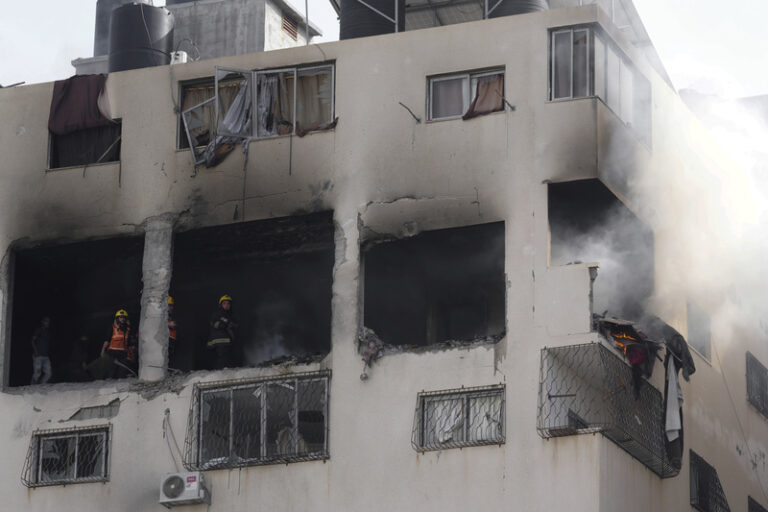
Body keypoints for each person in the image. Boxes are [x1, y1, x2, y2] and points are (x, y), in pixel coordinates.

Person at [101, 309, 136, 379]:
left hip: (123, 353)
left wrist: (131, 354)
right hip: (112, 352)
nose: (122, 319)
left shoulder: (128, 330)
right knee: (112, 370)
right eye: (120, 317)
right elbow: (107, 340)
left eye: (124, 317)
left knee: (122, 371)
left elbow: (128, 344)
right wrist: (102, 350)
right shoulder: (113, 328)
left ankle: (120, 385)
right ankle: (109, 383)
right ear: (117, 318)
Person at [208, 294, 238, 369]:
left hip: (228, 341)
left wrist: (232, 325)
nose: (226, 305)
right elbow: (214, 324)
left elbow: (235, 326)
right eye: (224, 303)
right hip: (219, 340)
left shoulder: (231, 316)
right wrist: (225, 325)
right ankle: (219, 374)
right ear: (220, 305)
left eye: (228, 303)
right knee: (222, 359)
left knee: (228, 359)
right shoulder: (217, 314)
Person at [31, 316, 52, 384]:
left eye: (48, 321)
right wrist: (35, 351)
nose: (47, 322)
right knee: (37, 373)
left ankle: (42, 384)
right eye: (46, 321)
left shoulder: (48, 332)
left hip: (46, 355)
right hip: (38, 355)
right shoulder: (39, 330)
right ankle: (32, 386)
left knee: (49, 373)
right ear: (43, 322)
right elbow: (32, 341)